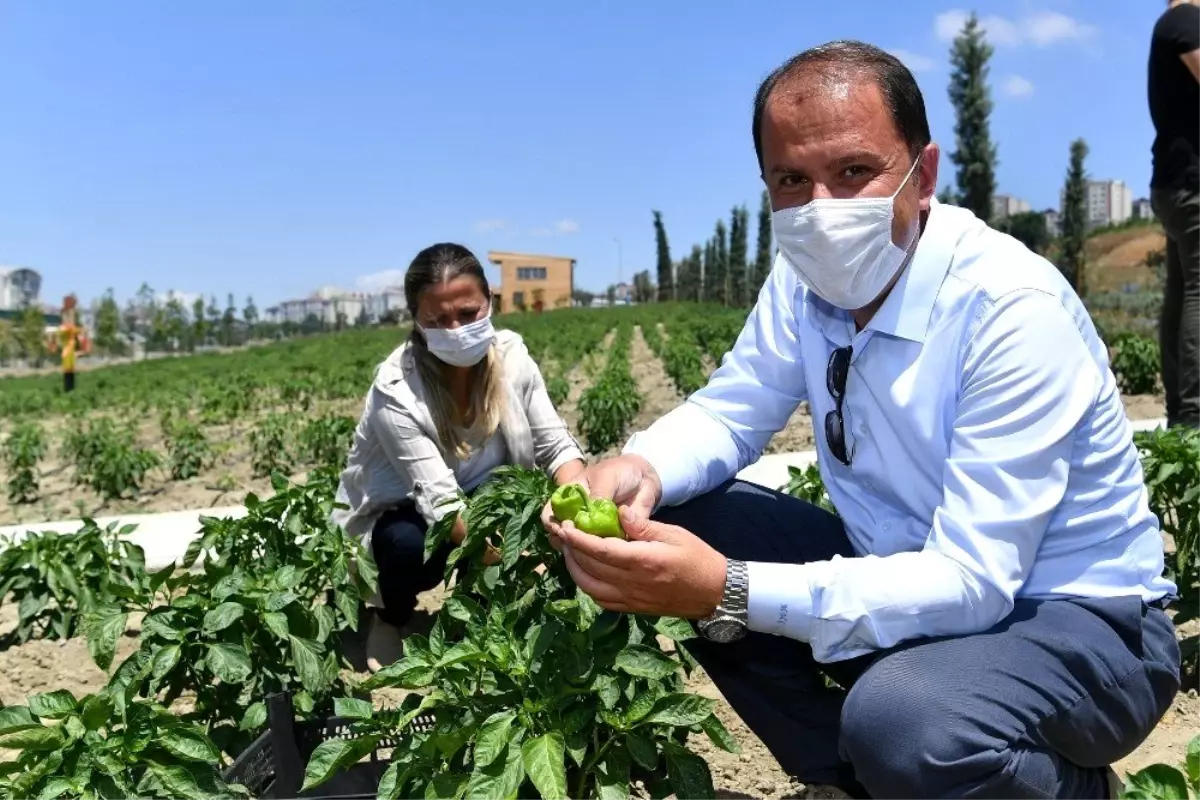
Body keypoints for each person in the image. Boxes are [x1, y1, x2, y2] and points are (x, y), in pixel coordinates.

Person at [543, 41, 1180, 800]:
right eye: (791, 180)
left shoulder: (1010, 309)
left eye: (853, 172)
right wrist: (639, 468)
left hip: (1079, 624)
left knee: (903, 720)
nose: (822, 209)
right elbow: (731, 408)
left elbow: (973, 581)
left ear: (924, 173)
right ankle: (849, 781)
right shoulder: (803, 283)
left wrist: (728, 589)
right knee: (674, 513)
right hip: (915, 581)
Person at [333, 242, 586, 671]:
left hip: (485, 495)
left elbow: (555, 445)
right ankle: (389, 617)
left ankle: (491, 610)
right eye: (438, 319)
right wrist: (526, 557)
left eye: (468, 314)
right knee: (408, 546)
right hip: (407, 511)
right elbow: (442, 503)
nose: (455, 328)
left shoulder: (512, 358)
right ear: (417, 320)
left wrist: (581, 503)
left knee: (519, 505)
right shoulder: (396, 389)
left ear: (489, 302)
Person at [1149, 0, 1200, 428]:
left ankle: (1182, 417)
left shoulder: (1173, 23)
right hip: (1192, 185)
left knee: (1182, 293)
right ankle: (1194, 417)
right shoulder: (1186, 19)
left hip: (1175, 183)